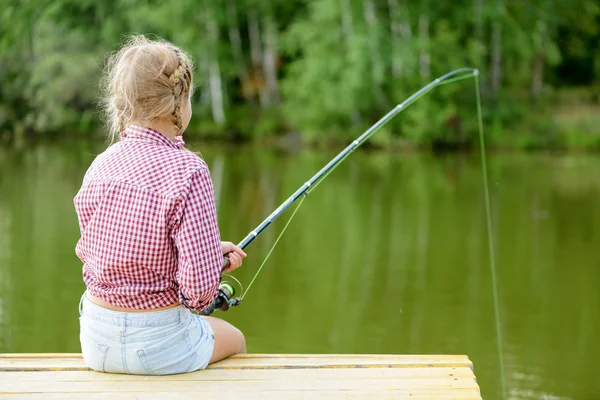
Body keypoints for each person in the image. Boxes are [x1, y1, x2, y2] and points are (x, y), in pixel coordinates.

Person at [73, 35, 247, 375]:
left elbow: (112, 258)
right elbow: (198, 295)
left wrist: (209, 255)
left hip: (95, 343)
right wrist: (211, 265)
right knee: (236, 340)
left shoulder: (100, 165)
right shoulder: (189, 170)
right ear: (180, 103)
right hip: (159, 347)